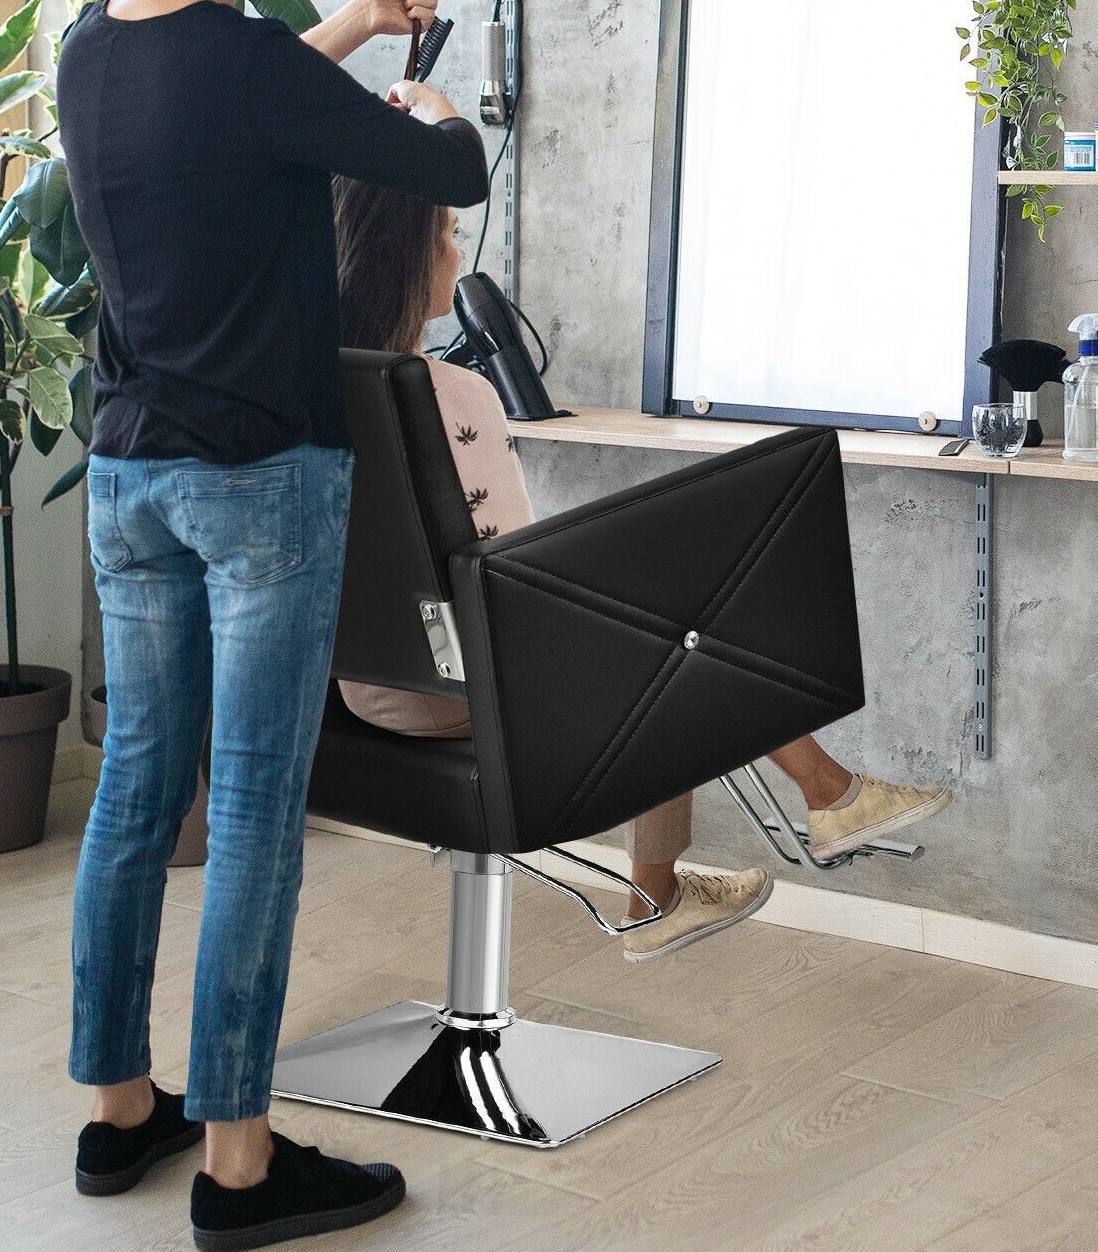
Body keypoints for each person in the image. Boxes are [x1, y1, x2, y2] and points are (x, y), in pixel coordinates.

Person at [55, 0, 489, 1252]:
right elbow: (456, 172)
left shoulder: (95, 49)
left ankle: (122, 1110)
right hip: (261, 484)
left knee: (135, 796)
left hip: (128, 478)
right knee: (249, 812)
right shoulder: (243, 62)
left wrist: (363, 16)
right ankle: (241, 1161)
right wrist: (426, 96)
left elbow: (228, 102)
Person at [333, 177, 951, 959]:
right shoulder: (450, 394)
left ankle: (730, 854)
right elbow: (508, 573)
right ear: (407, 262)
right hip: (467, 686)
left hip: (366, 691)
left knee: (658, 615)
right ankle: (788, 818)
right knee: (674, 623)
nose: (459, 253)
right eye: (449, 235)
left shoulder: (312, 383)